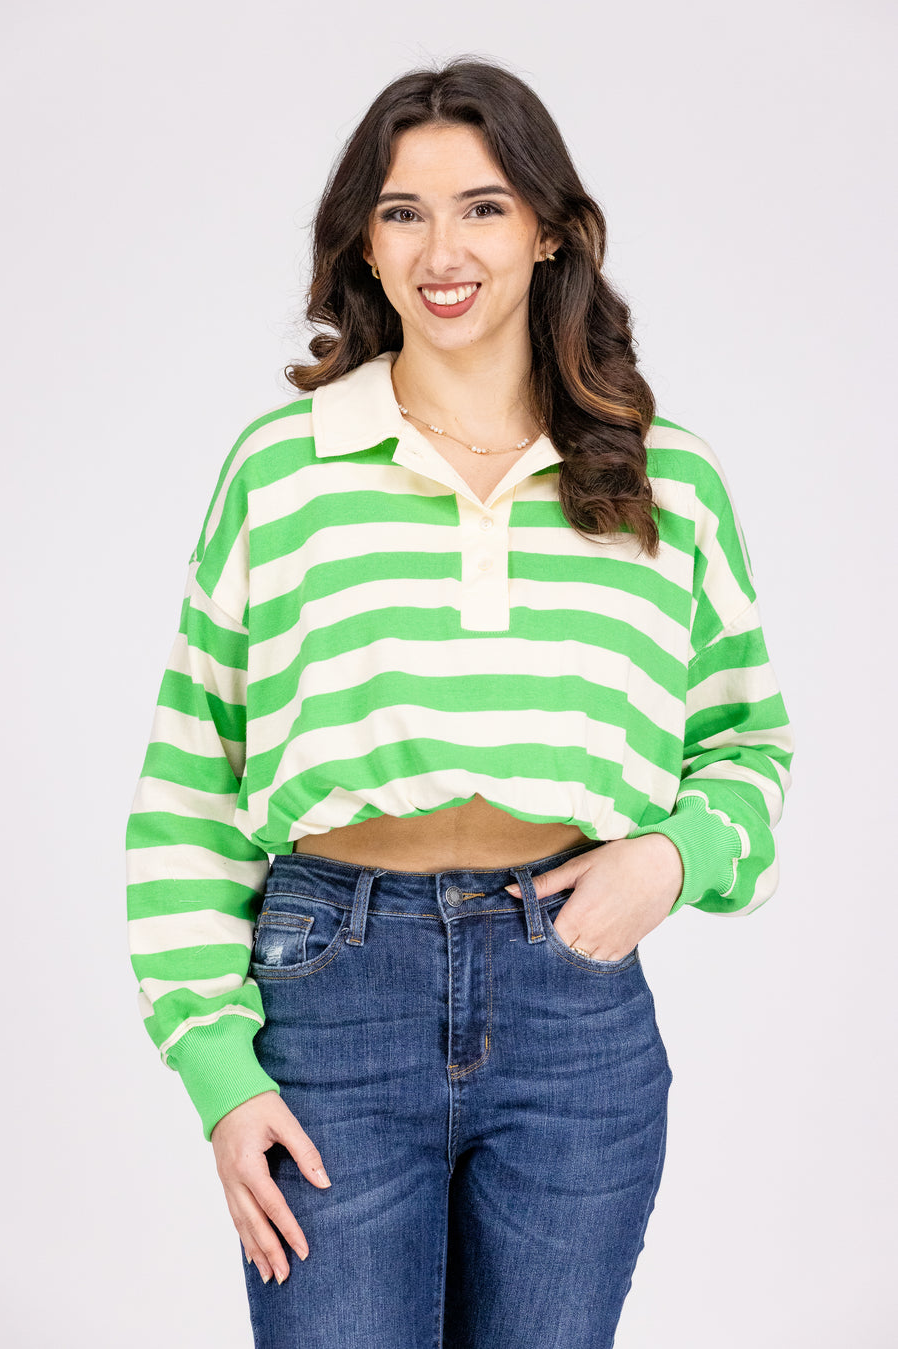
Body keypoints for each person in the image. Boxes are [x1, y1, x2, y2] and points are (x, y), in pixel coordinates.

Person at [126, 57, 793, 1349]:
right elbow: (192, 780)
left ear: (548, 231)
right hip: (330, 996)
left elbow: (747, 741)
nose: (444, 250)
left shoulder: (665, 480)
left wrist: (671, 857)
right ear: (365, 247)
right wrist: (217, 1070)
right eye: (403, 212)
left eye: (484, 207)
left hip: (573, 1013)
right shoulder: (283, 470)